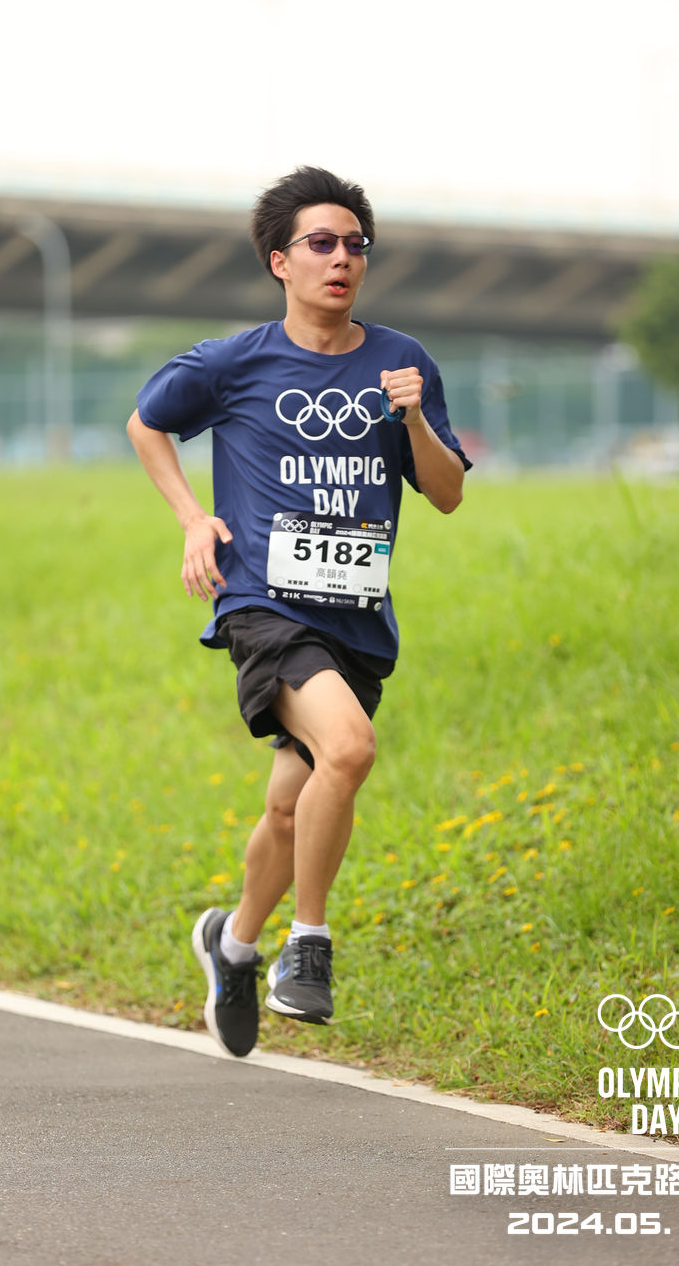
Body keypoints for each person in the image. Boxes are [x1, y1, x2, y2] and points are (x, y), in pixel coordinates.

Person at [127, 165, 471, 1058]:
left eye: (356, 244)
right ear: (280, 261)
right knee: (348, 749)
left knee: (291, 806)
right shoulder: (232, 361)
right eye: (322, 243)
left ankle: (232, 944)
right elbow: (146, 423)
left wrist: (413, 422)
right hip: (262, 602)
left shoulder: (400, 361)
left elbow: (444, 495)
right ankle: (306, 947)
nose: (342, 258)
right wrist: (192, 518)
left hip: (355, 616)